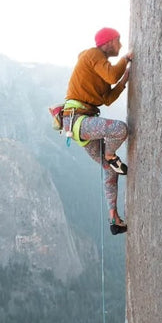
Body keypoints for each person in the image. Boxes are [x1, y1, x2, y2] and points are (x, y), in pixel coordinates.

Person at [63, 27, 133, 235]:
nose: (120, 45)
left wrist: (123, 82)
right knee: (120, 130)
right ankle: (111, 154)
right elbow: (111, 76)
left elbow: (107, 99)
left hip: (78, 126)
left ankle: (114, 218)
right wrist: (127, 58)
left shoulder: (98, 68)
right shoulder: (93, 54)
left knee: (110, 169)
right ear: (108, 42)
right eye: (117, 41)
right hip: (80, 120)